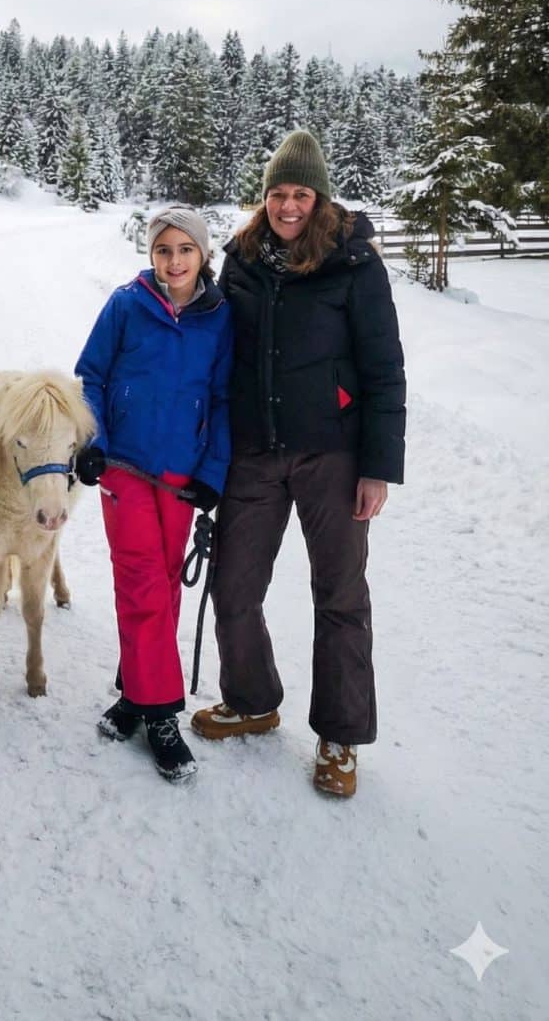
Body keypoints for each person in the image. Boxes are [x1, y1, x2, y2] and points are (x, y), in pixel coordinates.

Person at [190, 129, 406, 799]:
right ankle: (253, 700)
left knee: (340, 596)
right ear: (265, 197)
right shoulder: (242, 258)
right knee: (234, 587)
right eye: (278, 194)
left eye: (301, 194)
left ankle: (340, 737)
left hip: (332, 455)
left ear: (320, 195)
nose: (288, 206)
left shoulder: (353, 263)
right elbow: (216, 349)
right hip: (254, 451)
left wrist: (378, 466)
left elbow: (383, 367)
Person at [75, 207, 233, 782]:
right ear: (151, 255)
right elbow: (89, 375)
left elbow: (221, 400)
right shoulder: (125, 305)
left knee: (165, 586)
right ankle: (164, 714)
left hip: (181, 475)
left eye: (184, 250)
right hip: (124, 468)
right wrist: (95, 439)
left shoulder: (220, 318)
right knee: (141, 579)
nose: (174, 261)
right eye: (163, 249)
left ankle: (135, 693)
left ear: (202, 254)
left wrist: (213, 472)